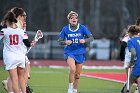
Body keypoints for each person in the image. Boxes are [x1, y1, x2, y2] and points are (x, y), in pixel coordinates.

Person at [58, 11, 93, 93]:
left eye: (75, 18)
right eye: (72, 18)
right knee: (72, 69)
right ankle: (70, 88)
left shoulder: (82, 27)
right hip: (70, 52)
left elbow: (91, 38)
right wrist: (65, 42)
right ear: (69, 20)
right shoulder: (65, 29)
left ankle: (74, 90)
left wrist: (84, 40)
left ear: (77, 19)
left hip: (80, 52)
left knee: (77, 75)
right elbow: (59, 41)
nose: (74, 19)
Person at [1, 7, 34, 93]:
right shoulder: (21, 30)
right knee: (22, 78)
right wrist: (31, 44)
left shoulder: (4, 31)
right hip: (20, 57)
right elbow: (27, 43)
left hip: (10, 57)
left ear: (7, 21)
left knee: (14, 79)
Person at [121, 25, 140, 93]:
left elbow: (133, 53)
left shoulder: (130, 41)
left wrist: (131, 63)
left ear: (130, 33)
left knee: (128, 84)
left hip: (137, 66)